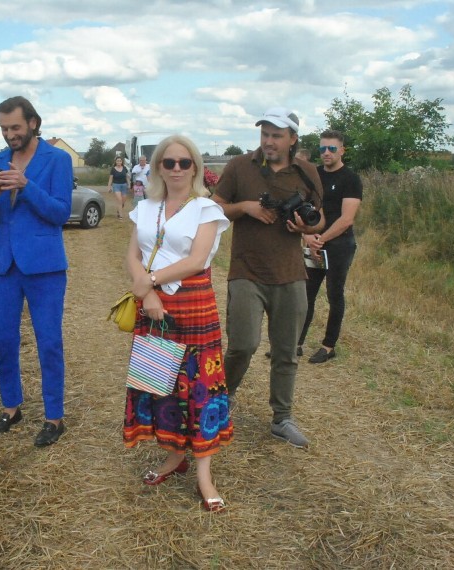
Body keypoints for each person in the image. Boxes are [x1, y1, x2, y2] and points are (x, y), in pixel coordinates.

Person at [123, 135, 232, 512]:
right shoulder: (146, 207)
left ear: (196, 168)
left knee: (199, 387)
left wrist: (149, 282)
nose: (176, 169)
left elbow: (197, 260)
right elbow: (133, 255)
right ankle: (173, 456)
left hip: (193, 304)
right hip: (152, 307)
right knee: (160, 383)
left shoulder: (206, 209)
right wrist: (147, 294)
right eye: (167, 163)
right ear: (156, 168)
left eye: (184, 162)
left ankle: (204, 474)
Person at [211, 107, 324, 449]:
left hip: (290, 273)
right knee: (243, 344)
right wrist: (244, 207)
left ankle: (282, 418)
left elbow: (319, 219)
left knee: (286, 351)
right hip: (246, 270)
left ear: (292, 139)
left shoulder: (306, 172)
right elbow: (213, 207)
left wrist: (307, 226)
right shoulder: (239, 166)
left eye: (277, 135)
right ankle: (222, 399)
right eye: (265, 134)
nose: (269, 141)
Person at [0, 96, 73, 447]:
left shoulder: (57, 160)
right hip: (4, 266)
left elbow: (60, 213)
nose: (9, 134)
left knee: (48, 342)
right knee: (3, 341)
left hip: (44, 267)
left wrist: (26, 185)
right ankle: (11, 407)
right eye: (4, 128)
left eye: (15, 127)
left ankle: (54, 417)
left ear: (33, 122)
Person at [299, 130, 362, 363]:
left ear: (342, 150)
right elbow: (303, 207)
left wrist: (320, 239)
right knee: (306, 294)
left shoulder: (350, 179)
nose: (326, 153)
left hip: (339, 245)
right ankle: (297, 342)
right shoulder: (313, 175)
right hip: (313, 242)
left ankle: (328, 346)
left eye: (332, 149)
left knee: (334, 294)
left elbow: (347, 219)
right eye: (323, 148)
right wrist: (307, 237)